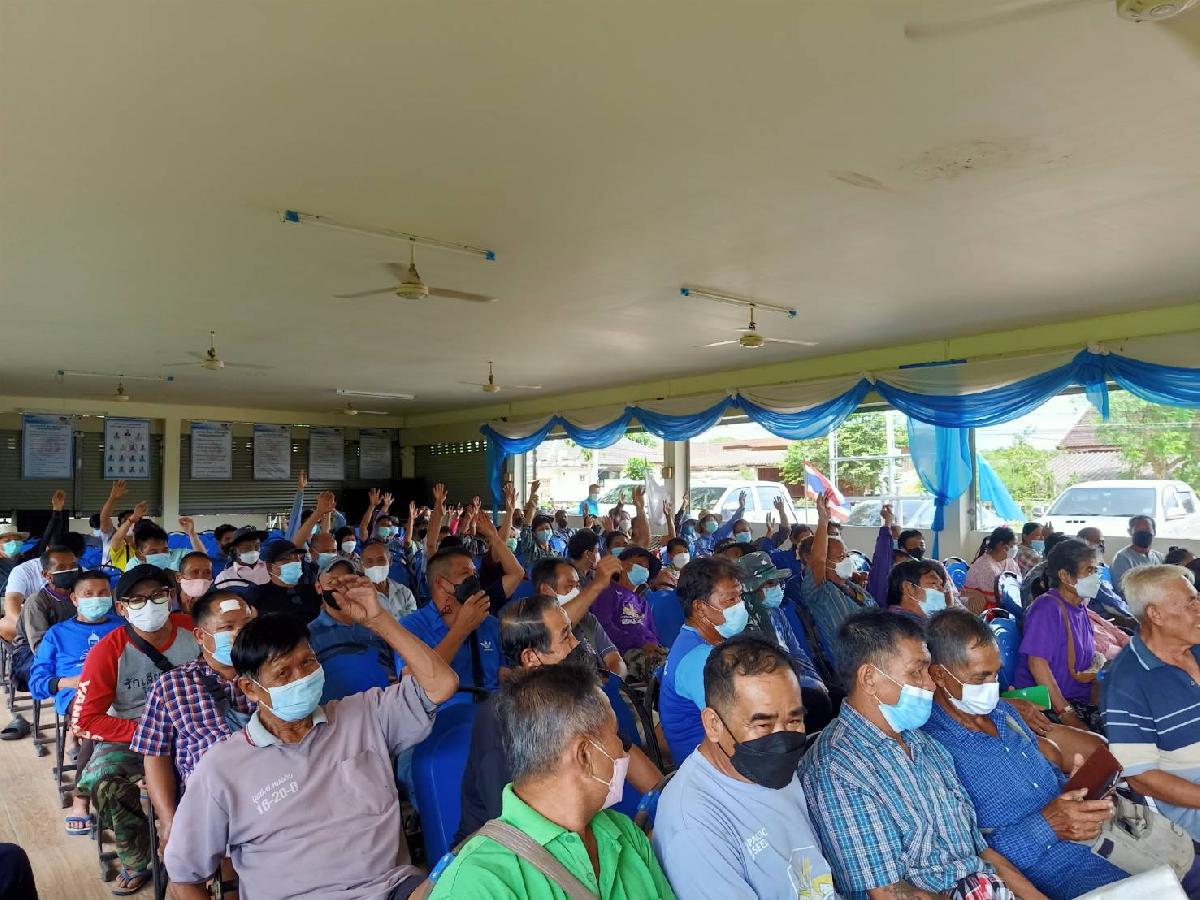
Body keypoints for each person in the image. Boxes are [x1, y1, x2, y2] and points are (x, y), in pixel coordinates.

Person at [165, 575, 459, 900]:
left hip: (390, 890)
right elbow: (184, 877)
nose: (301, 677)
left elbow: (441, 684)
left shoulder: (365, 715)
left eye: (308, 662)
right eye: (283, 672)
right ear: (250, 689)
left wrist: (379, 620)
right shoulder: (222, 769)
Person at [799, 610, 1042, 900]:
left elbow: (980, 852)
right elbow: (886, 893)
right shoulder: (838, 770)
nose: (930, 683)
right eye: (916, 672)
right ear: (869, 678)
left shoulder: (925, 745)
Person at [923, 609, 1128, 900]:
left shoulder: (1004, 712)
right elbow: (969, 854)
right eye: (981, 677)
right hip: (1058, 872)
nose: (993, 687)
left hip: (1106, 837)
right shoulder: (932, 750)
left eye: (996, 673)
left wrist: (1078, 789)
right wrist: (1049, 825)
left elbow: (1048, 776)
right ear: (940, 675)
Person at [429, 664, 676, 899]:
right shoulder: (476, 886)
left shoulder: (623, 833)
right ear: (584, 755)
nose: (623, 750)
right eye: (615, 735)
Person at [456, 593, 662, 842]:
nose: (577, 644)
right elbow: (515, 831)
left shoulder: (578, 695)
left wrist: (670, 805)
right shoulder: (499, 723)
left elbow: (626, 753)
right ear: (531, 658)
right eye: (566, 636)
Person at [653, 634, 837, 899]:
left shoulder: (773, 769)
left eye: (794, 720)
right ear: (713, 724)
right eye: (763, 725)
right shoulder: (694, 825)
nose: (782, 739)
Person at [71, 565, 199, 895]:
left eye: (158, 595)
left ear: (171, 597)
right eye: (138, 599)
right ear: (122, 608)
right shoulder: (108, 650)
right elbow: (84, 720)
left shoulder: (195, 631)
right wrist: (146, 731)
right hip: (133, 732)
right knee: (104, 780)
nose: (150, 604)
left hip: (195, 725)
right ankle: (135, 856)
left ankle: (211, 848)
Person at [132, 590, 255, 855]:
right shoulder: (171, 686)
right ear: (200, 636)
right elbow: (155, 756)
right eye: (227, 628)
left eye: (247, 625)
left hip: (271, 786)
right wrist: (168, 820)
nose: (240, 634)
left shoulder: (272, 674)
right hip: (209, 803)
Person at [1101, 565, 1200, 840]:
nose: (1199, 609)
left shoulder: (1194, 647)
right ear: (1156, 615)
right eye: (1191, 604)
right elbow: (1141, 777)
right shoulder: (1126, 682)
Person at [28, 569, 124, 835]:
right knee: (98, 719)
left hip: (123, 690)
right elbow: (37, 681)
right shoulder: (58, 633)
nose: (97, 598)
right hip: (78, 693)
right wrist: (67, 682)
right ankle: (81, 799)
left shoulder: (122, 627)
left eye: (103, 593)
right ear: (74, 599)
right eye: (88, 594)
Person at [660, 557, 751, 764]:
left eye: (739, 597)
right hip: (711, 766)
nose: (740, 606)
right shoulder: (700, 659)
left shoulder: (700, 640)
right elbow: (735, 731)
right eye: (730, 600)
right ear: (700, 608)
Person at [1012, 539, 1103, 729]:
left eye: (1096, 570)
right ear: (1065, 576)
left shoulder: (1079, 606)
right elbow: (1037, 664)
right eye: (1089, 570)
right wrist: (1067, 714)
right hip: (1048, 706)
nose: (1096, 577)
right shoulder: (1046, 608)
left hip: (1078, 699)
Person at [395, 547, 504, 691]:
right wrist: (461, 629)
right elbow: (411, 685)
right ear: (441, 583)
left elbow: (503, 672)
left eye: (474, 573)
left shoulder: (489, 623)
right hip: (445, 705)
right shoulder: (410, 627)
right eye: (465, 574)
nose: (473, 580)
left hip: (494, 703)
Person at [799, 491, 875, 665]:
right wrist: (823, 521)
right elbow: (817, 560)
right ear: (825, 563)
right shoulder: (820, 591)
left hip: (877, 649)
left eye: (846, 555)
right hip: (855, 663)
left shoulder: (851, 586)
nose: (847, 560)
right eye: (841, 557)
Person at [308, 557, 395, 701]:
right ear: (319, 587)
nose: (342, 588)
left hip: (387, 706)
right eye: (333, 582)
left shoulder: (376, 624)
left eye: (348, 581)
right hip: (339, 712)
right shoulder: (309, 636)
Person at [530, 556, 627, 678]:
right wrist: (597, 584)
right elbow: (559, 624)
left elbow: (615, 660)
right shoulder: (531, 624)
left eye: (577, 586)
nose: (576, 592)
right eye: (569, 586)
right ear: (545, 590)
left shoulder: (587, 619)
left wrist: (610, 682)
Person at [588, 545, 666, 681]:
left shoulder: (642, 602)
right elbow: (603, 628)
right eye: (639, 564)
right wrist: (640, 642)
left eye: (646, 568)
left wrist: (652, 645)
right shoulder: (607, 592)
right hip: (623, 652)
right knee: (665, 672)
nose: (644, 569)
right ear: (622, 565)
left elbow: (652, 633)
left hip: (650, 651)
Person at [1, 489, 70, 641]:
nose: (13, 543)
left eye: (16, 540)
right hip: (9, 613)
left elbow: (48, 537)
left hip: (35, 610)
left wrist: (57, 511)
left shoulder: (30, 558)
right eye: (7, 541)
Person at [246, 539, 322, 624]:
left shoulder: (313, 590)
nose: (294, 563)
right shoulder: (258, 595)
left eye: (297, 558)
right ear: (270, 567)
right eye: (286, 560)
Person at [963, 526, 1021, 613]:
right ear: (1000, 545)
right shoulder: (985, 566)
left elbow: (1019, 580)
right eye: (1012, 545)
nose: (1015, 548)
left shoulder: (1010, 561)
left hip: (1004, 601)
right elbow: (996, 598)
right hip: (983, 607)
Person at [360, 538, 417, 620]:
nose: (375, 565)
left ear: (390, 561)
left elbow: (414, 622)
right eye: (369, 561)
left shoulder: (404, 592)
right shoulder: (359, 597)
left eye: (381, 560)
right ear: (362, 566)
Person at [1108, 515, 1163, 597]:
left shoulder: (1159, 557)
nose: (1143, 534)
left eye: (1147, 530)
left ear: (1154, 532)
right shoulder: (1122, 558)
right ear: (1130, 532)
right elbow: (1123, 591)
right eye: (1138, 531)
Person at [885, 558, 953, 621]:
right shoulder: (897, 626)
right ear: (908, 588)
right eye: (933, 583)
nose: (942, 591)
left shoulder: (925, 623)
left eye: (941, 585)